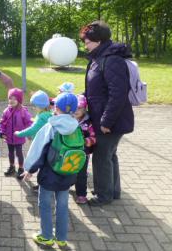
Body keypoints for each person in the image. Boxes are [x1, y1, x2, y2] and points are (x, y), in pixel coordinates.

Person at [80, 20, 134, 206]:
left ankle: (103, 196)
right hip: (103, 117)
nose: (85, 45)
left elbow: (118, 94)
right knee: (110, 155)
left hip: (109, 120)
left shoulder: (112, 60)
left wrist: (106, 121)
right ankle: (113, 191)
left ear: (99, 41)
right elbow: (96, 90)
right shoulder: (99, 58)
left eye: (87, 42)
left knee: (102, 156)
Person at [22, 93, 80, 248]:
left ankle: (46, 236)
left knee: (45, 205)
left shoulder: (51, 127)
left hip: (49, 175)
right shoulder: (76, 126)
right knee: (62, 205)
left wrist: (29, 169)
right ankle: (61, 238)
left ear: (56, 107)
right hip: (68, 173)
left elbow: (38, 151)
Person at [0, 88, 32, 179]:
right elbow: (2, 122)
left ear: (19, 100)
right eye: (10, 98)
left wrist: (29, 132)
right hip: (9, 137)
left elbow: (29, 122)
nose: (12, 100)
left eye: (14, 98)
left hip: (19, 137)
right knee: (10, 153)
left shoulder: (23, 111)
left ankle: (21, 168)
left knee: (19, 153)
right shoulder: (6, 111)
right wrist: (2, 132)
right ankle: (12, 167)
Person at [74, 95, 96, 204]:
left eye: (79, 108)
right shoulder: (69, 120)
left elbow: (93, 137)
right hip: (70, 153)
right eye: (75, 108)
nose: (76, 111)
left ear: (84, 109)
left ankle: (81, 194)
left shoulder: (88, 123)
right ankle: (65, 185)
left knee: (82, 174)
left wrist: (85, 141)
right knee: (68, 170)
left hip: (83, 153)